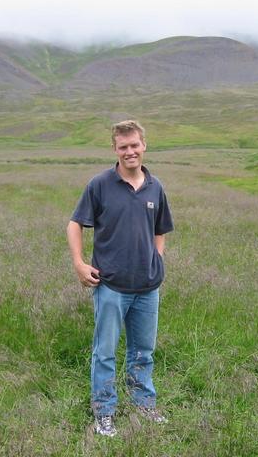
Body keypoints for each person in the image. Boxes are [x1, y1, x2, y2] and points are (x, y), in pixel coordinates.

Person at [66, 120, 174, 437]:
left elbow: (160, 230)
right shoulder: (99, 185)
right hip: (110, 286)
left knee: (143, 351)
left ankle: (143, 405)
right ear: (115, 149)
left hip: (148, 288)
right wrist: (79, 263)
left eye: (135, 145)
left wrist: (156, 259)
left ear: (144, 146)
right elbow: (75, 224)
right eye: (123, 146)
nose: (130, 151)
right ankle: (104, 413)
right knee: (105, 352)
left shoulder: (156, 187)